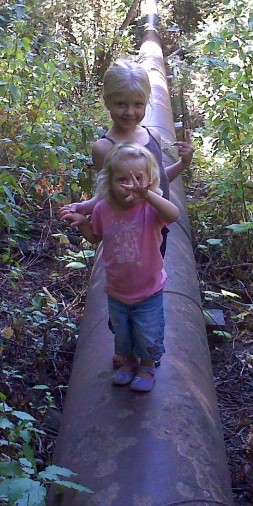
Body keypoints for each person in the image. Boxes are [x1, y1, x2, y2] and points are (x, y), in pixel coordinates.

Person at [59, 58, 193, 367]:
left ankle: (147, 343)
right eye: (120, 104)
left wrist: (183, 165)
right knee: (126, 280)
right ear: (106, 101)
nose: (129, 112)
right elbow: (107, 193)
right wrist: (83, 208)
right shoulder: (104, 148)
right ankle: (124, 337)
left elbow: (158, 179)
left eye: (137, 104)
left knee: (149, 283)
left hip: (156, 223)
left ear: (147, 103)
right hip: (126, 228)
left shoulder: (152, 137)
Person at [63, 143, 179, 392]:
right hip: (116, 289)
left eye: (139, 178)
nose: (131, 185)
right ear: (109, 182)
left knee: (147, 331)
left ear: (150, 180)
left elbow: (174, 214)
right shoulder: (104, 208)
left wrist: (148, 195)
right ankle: (128, 362)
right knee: (122, 332)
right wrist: (83, 221)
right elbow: (95, 237)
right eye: (122, 179)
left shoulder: (151, 208)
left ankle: (147, 364)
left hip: (148, 289)